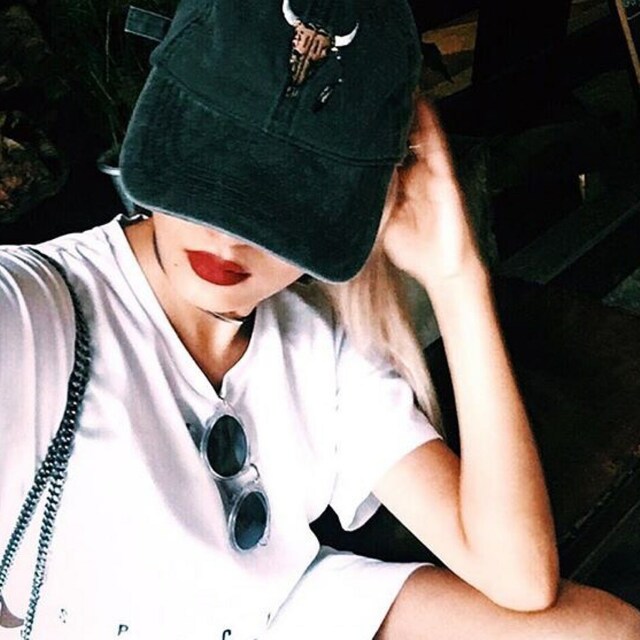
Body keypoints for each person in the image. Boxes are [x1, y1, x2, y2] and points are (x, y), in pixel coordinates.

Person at [1, 0, 639, 638]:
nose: (230, 234)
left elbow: (517, 576)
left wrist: (457, 281)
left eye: (290, 192)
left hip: (280, 608)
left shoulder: (318, 344)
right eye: (210, 158)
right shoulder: (40, 311)